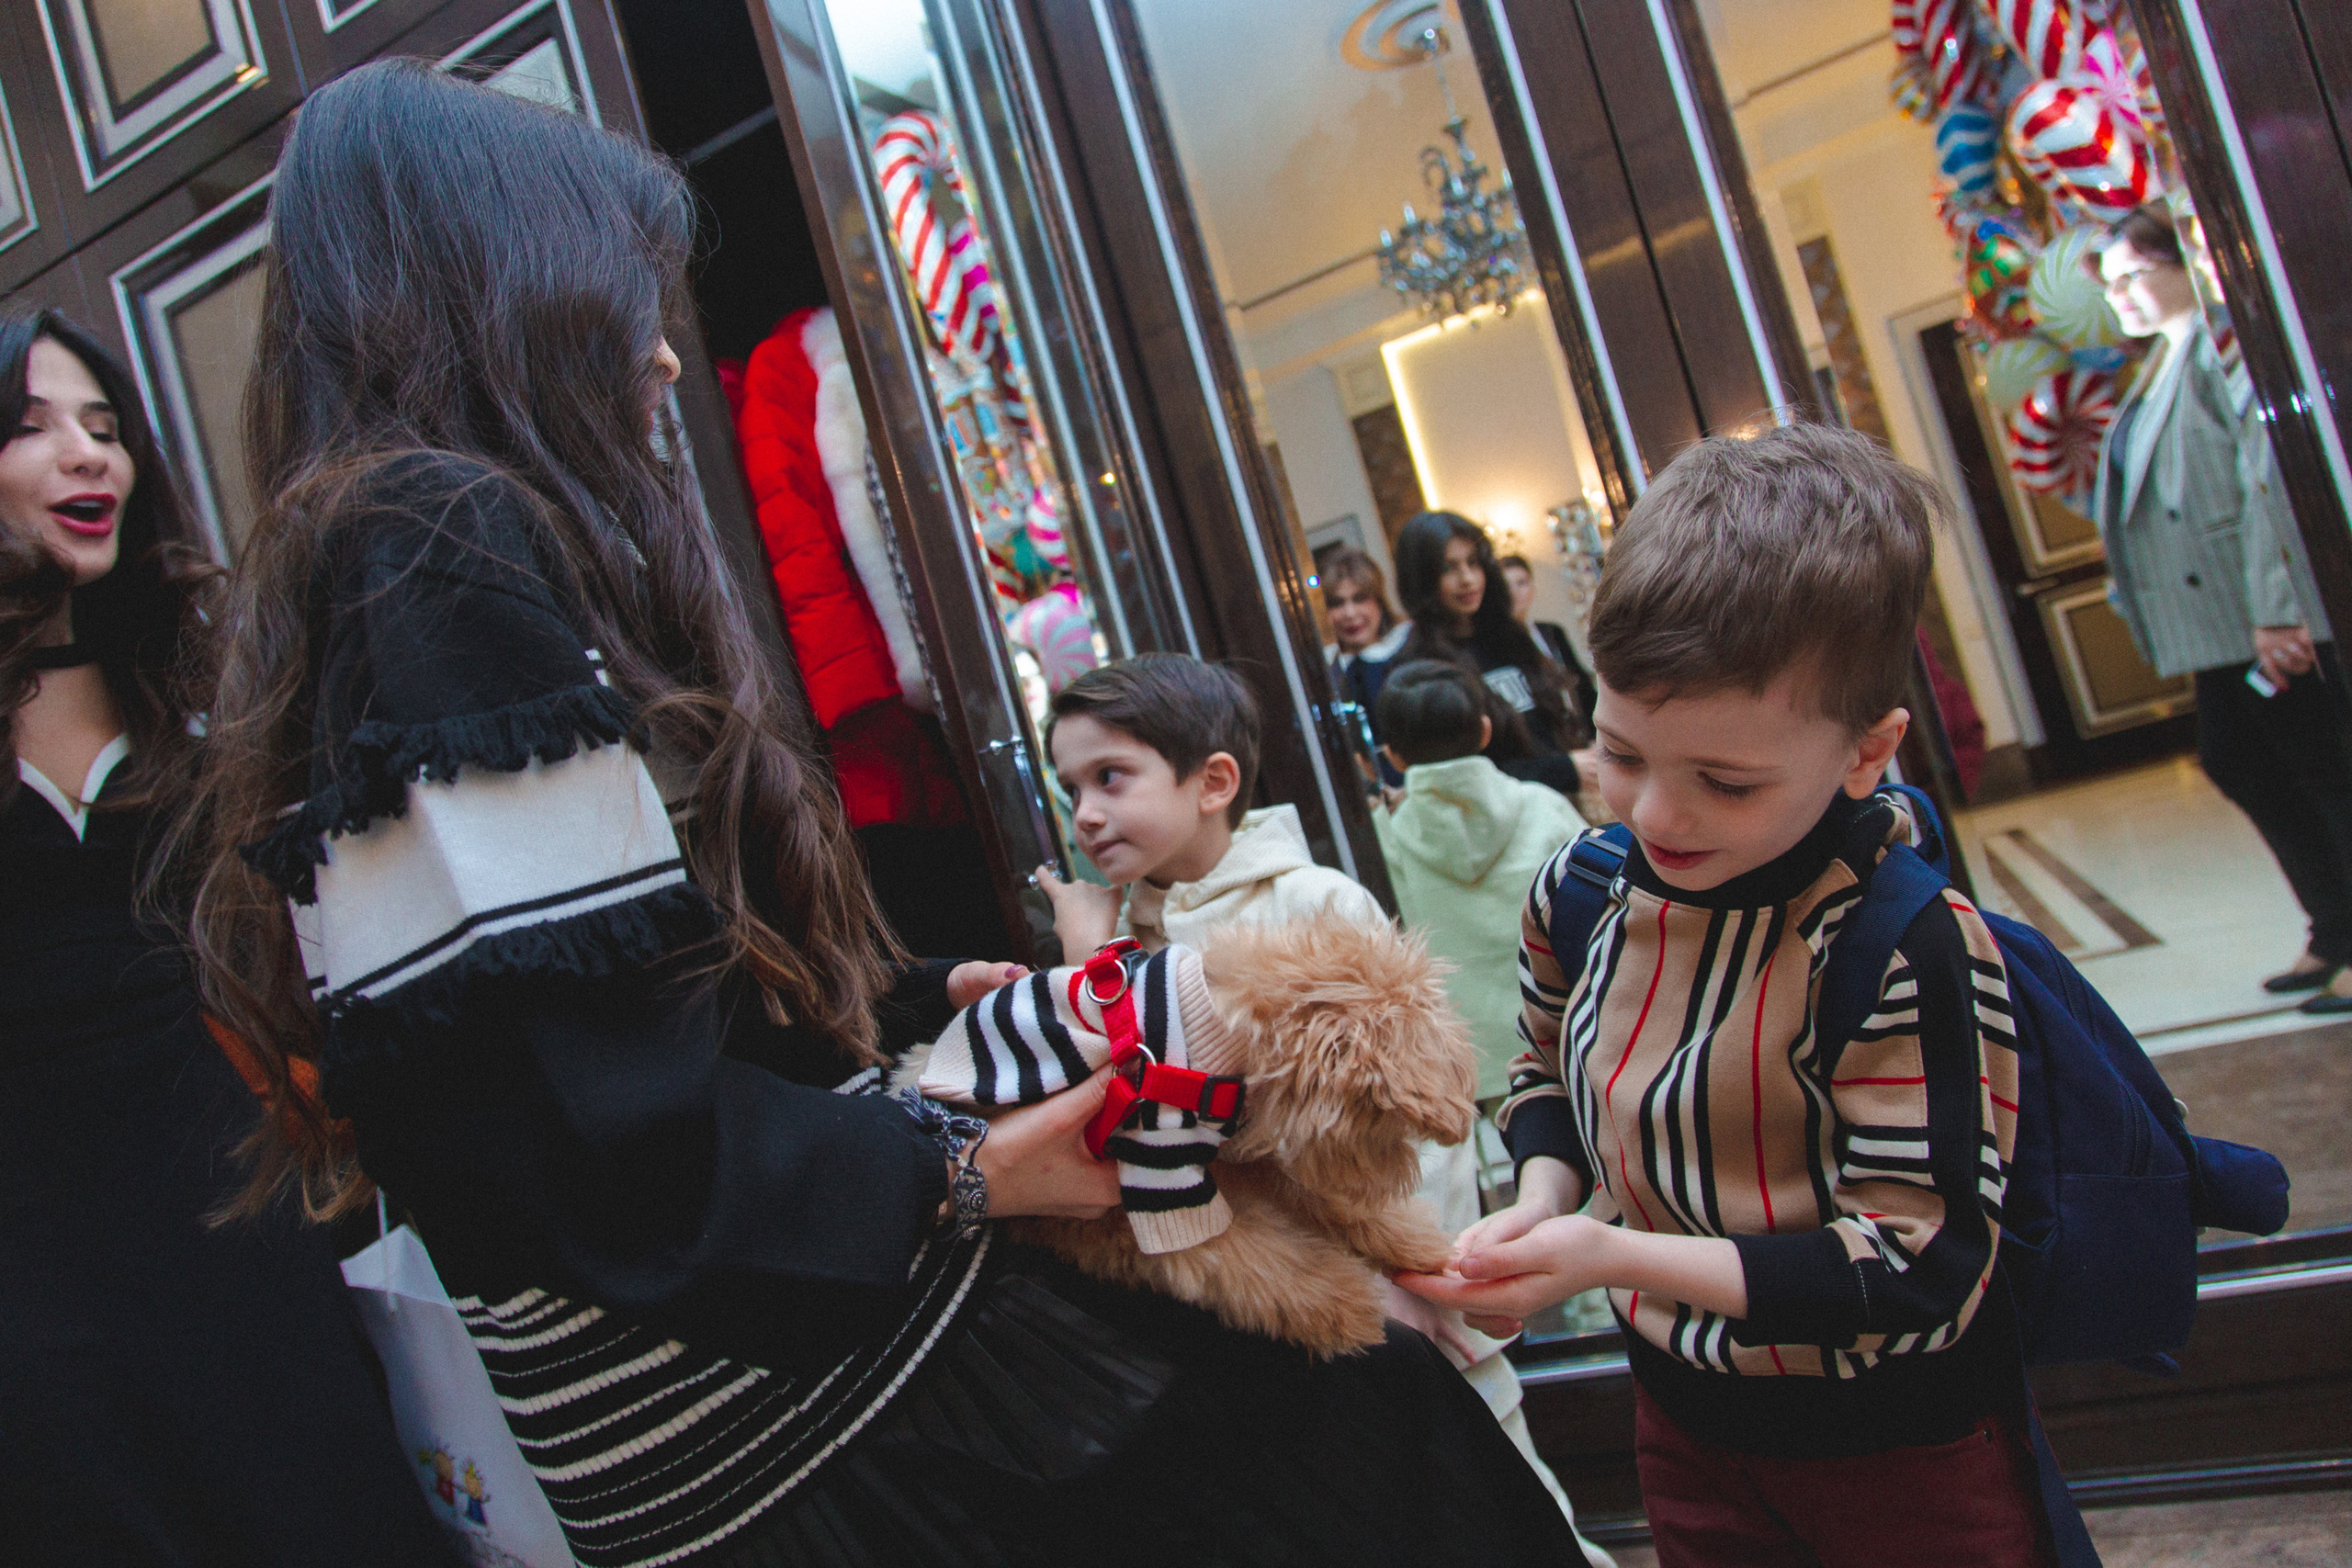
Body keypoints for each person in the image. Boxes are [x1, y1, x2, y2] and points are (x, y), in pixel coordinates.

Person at [189, 62, 1577, 1568]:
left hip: (745, 1388)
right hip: (773, 1408)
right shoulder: (433, 539)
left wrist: (908, 1000)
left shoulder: (385, 545)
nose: (664, 361)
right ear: (511, 292)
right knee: (1369, 1435)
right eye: (627, 299)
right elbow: (595, 1137)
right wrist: (972, 1163)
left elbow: (588, 1015)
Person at [1400, 423, 2051, 1567]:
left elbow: (1917, 1265)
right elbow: (1544, 1072)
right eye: (1621, 753)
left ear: (1866, 752)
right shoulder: (1582, 888)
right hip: (1685, 1424)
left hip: (1897, 1452)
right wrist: (1547, 1204)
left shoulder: (1900, 946)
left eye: (1727, 782)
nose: (1655, 815)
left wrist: (1608, 1258)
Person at [0, 307, 452, 1564]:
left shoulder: (181, 684)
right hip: (27, 1267)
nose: (88, 455)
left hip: (230, 1217)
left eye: (104, 426)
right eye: (32, 427)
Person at [1034, 651, 1607, 1565]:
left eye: (1110, 777)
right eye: (1070, 788)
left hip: (1395, 1300)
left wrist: (1427, 1282)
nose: (1086, 812)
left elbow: (1418, 1118)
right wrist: (1082, 965)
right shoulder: (1120, 938)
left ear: (1213, 780)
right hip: (1272, 1322)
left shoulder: (1315, 905)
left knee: (1499, 1512)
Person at [2091, 204, 2352, 1013]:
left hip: (2256, 615)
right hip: (2216, 626)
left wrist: (2280, 608)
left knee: (2321, 770)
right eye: (2112, 284)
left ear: (2184, 265)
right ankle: (2334, 927)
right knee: (2241, 759)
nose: (2123, 295)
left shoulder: (2218, 346)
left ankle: (2343, 932)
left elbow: (2263, 478)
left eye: (2136, 274)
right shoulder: (2161, 364)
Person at [1372, 659, 1588, 1100]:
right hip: (1571, 1041)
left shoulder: (1385, 837)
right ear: (1487, 730)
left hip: (1467, 1063)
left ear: (1391, 755)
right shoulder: (1543, 806)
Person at [1392, 511, 1596, 803]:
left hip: (1564, 808)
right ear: (1422, 579)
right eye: (1449, 568)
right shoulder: (1420, 666)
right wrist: (1563, 770)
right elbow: (1457, 779)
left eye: (1473, 563)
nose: (1468, 579)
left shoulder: (1508, 636)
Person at [1325, 546, 1414, 788]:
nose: (1350, 613)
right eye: (1337, 603)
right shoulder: (1327, 672)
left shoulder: (1410, 647)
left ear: (1378, 600)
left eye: (1360, 598)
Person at [1498, 552, 1600, 727]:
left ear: (1532, 587)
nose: (1514, 592)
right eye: (1506, 586)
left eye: (1521, 583)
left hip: (1578, 726)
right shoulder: (1497, 641)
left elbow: (1579, 681)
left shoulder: (1552, 632)